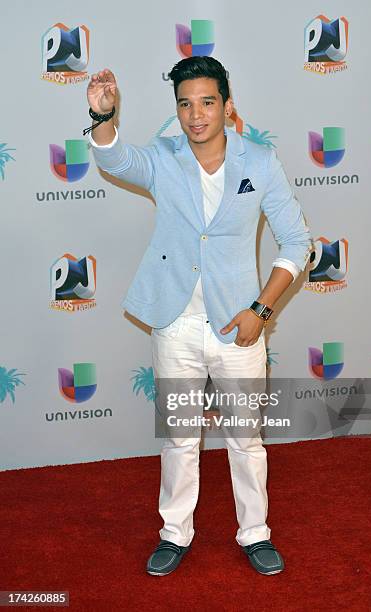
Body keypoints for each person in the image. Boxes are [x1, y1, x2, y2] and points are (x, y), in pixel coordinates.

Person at [86, 57, 311, 576]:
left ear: (228, 108)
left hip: (239, 324)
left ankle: (255, 532)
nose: (196, 114)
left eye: (207, 102)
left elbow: (298, 241)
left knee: (245, 439)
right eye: (185, 104)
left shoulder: (261, 160)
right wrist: (103, 116)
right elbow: (116, 160)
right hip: (176, 325)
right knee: (180, 437)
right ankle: (175, 532)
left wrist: (262, 308)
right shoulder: (164, 158)